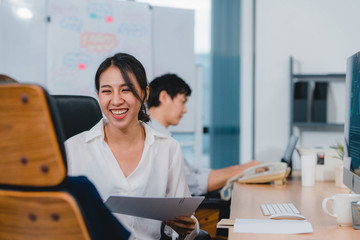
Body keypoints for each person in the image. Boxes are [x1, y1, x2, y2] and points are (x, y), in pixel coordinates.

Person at [65, 53, 199, 240]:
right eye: (107, 91)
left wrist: (188, 226)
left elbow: (186, 221)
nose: (117, 100)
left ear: (144, 93)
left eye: (126, 90)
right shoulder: (72, 149)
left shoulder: (167, 148)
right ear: (98, 96)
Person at [147, 73, 261, 196]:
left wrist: (243, 168)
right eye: (182, 101)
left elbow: (194, 172)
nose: (185, 110)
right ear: (164, 97)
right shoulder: (156, 138)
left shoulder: (162, 134)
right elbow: (191, 184)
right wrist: (244, 170)